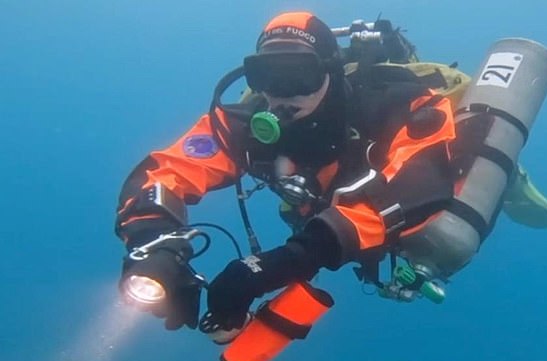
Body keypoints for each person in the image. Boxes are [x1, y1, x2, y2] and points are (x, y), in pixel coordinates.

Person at [115, 11, 469, 341]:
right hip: (325, 209)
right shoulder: (242, 126)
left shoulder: (398, 104)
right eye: (268, 77)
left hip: (424, 175)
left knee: (477, 183)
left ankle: (514, 184)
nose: (283, 94)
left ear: (330, 70)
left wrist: (291, 259)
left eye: (300, 75)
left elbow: (417, 183)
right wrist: (152, 241)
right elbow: (167, 170)